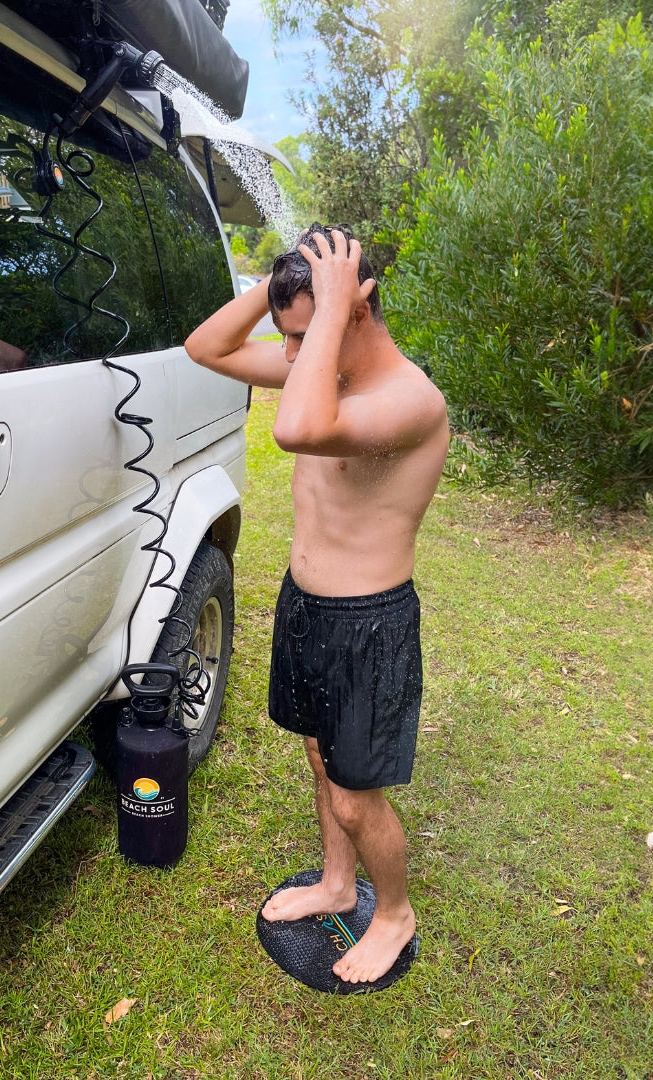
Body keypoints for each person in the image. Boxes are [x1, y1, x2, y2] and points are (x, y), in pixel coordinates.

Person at [184, 224, 448, 985]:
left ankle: (393, 914)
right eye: (285, 338)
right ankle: (337, 884)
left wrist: (327, 308)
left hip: (369, 624)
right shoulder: (317, 367)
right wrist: (277, 295)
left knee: (357, 797)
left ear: (356, 311)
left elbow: (297, 431)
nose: (292, 354)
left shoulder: (407, 399)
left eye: (305, 334)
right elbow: (206, 348)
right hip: (308, 606)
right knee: (317, 755)